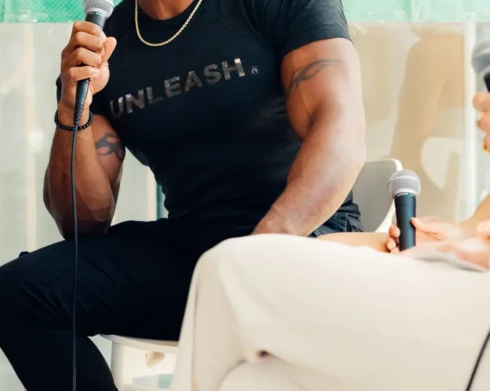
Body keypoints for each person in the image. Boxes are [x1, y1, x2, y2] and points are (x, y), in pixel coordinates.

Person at [0, 0, 366, 390]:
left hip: (302, 242)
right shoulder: (108, 42)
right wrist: (73, 107)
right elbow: (82, 221)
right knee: (20, 292)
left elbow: (342, 133)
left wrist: (256, 257)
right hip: (196, 253)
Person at [168, 92, 490, 391]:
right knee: (252, 380)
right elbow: (475, 228)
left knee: (229, 272)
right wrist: (458, 234)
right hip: (460, 282)